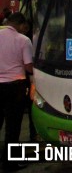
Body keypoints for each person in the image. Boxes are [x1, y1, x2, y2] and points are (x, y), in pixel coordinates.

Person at [0, 13, 33, 171]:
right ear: (20, 24)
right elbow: (28, 67)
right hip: (15, 87)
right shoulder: (23, 40)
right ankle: (9, 163)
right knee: (13, 127)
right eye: (24, 27)